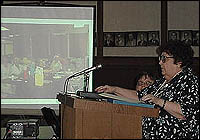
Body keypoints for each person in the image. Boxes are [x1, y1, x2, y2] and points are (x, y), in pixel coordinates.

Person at [95, 40, 199, 139]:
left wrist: (158, 101)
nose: (160, 63)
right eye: (160, 58)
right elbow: (140, 96)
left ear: (179, 62)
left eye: (164, 59)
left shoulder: (190, 82)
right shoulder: (162, 82)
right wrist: (114, 90)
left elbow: (185, 112)